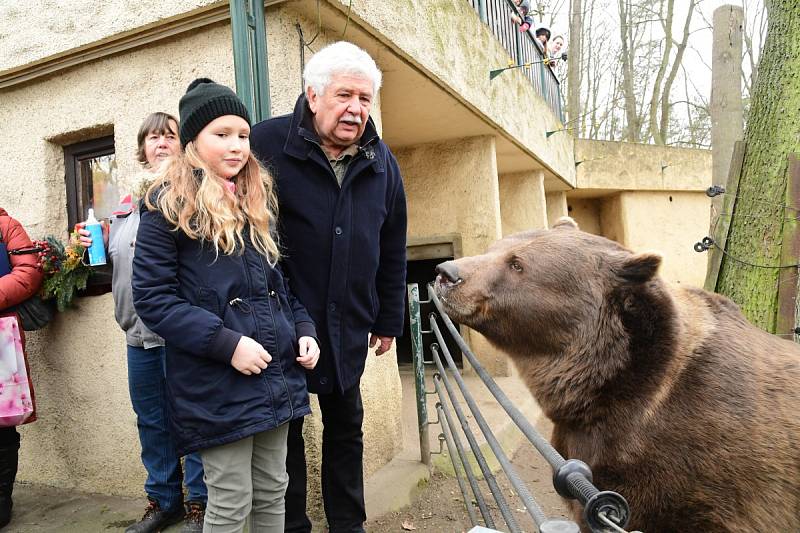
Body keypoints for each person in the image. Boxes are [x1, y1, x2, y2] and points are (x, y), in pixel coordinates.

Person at [132, 78, 320, 533]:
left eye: (243, 135)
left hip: (275, 372)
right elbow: (153, 299)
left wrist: (304, 329)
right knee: (232, 500)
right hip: (217, 383)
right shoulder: (167, 205)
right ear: (193, 141)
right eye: (222, 135)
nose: (237, 146)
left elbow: (281, 286)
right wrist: (227, 344)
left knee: (274, 488)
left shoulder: (257, 202)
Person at [250, 41, 408, 533]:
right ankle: (293, 525)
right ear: (313, 96)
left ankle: (348, 524)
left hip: (348, 323)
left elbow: (393, 242)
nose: (356, 109)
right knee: (287, 435)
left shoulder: (382, 162)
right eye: (344, 96)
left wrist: (387, 319)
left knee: (346, 427)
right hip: (283, 324)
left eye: (364, 99)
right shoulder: (265, 144)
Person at [77, 112, 208, 533]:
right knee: (151, 421)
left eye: (170, 135)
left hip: (180, 336)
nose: (161, 142)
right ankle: (165, 502)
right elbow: (111, 267)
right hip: (137, 336)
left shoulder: (193, 193)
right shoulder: (123, 207)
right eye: (153, 137)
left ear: (183, 145)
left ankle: (202, 506)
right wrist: (86, 244)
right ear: (142, 149)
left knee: (192, 419)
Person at [0, 209, 43, 530]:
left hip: (0, 339)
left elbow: (28, 272)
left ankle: (1, 502)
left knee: (1, 426)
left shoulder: (5, 225)